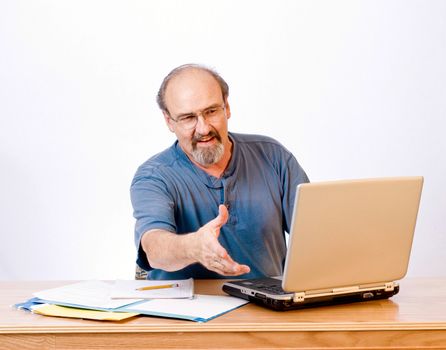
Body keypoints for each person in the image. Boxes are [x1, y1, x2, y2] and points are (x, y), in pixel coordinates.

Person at [130, 64, 309, 280]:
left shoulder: (273, 157)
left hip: (267, 308)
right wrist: (193, 247)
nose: (204, 128)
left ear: (227, 107)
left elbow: (315, 233)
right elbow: (154, 249)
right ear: (169, 121)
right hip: (186, 310)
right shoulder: (154, 176)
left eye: (211, 111)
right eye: (188, 118)